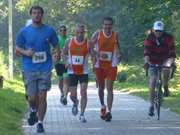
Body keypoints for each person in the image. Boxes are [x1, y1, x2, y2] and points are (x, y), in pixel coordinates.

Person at [15, 6, 60, 133]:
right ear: (31, 15)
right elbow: (17, 50)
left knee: (43, 96)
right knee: (32, 98)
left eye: (39, 13)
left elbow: (56, 45)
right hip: (29, 68)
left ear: (42, 15)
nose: (36, 15)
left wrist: (57, 55)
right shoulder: (24, 32)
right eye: (34, 13)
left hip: (45, 68)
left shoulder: (49, 31)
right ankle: (33, 110)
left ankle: (40, 123)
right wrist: (26, 52)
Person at [91, 17, 121, 122]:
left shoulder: (115, 34)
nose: (107, 26)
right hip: (99, 65)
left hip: (111, 65)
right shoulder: (97, 34)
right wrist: (95, 55)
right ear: (102, 25)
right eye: (105, 24)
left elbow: (117, 47)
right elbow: (90, 46)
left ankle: (109, 111)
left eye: (109, 25)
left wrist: (118, 55)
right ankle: (103, 105)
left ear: (112, 26)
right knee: (101, 88)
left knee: (109, 88)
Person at [144, 21, 176, 116]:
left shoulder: (169, 38)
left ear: (163, 31)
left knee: (166, 69)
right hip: (153, 61)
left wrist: (169, 63)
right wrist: (146, 62)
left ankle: (166, 86)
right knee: (152, 82)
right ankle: (151, 106)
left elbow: (172, 53)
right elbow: (146, 52)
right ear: (154, 30)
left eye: (160, 31)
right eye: (156, 31)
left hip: (165, 60)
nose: (158, 32)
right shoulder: (149, 38)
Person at [63, 23, 92, 123]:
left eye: (82, 32)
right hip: (72, 72)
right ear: (74, 32)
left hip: (84, 71)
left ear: (84, 33)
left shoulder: (88, 42)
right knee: (72, 95)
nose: (80, 34)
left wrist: (95, 59)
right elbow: (64, 52)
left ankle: (82, 114)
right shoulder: (69, 41)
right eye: (78, 32)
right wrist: (66, 62)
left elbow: (93, 53)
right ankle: (75, 103)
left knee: (83, 92)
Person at [54, 25, 69, 105]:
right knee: (60, 81)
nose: (63, 31)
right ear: (59, 31)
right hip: (59, 63)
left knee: (66, 80)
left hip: (67, 63)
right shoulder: (56, 39)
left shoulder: (69, 39)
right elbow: (53, 50)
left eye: (64, 30)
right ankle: (62, 93)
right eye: (61, 30)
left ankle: (65, 97)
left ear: (66, 31)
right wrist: (55, 57)